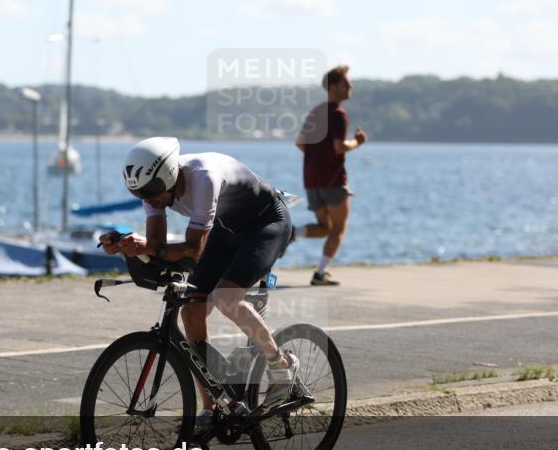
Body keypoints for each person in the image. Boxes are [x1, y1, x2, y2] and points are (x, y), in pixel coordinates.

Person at [99, 137, 305, 424]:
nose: (147, 199)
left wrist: (147, 245)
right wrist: (126, 245)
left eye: (151, 192)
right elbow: (158, 246)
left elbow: (193, 250)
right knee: (191, 311)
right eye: (138, 194)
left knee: (226, 298)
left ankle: (282, 366)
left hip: (266, 223)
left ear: (168, 176)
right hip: (226, 228)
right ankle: (212, 406)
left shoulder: (204, 178)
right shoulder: (153, 190)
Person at [295, 64, 368, 285]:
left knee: (324, 228)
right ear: (334, 87)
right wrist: (357, 142)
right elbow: (339, 147)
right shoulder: (338, 114)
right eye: (346, 83)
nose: (351, 85)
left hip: (311, 179)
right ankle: (320, 274)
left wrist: (317, 159)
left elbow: (300, 143)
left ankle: (291, 234)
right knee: (338, 228)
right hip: (333, 180)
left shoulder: (316, 112)